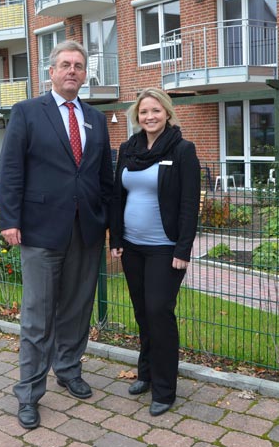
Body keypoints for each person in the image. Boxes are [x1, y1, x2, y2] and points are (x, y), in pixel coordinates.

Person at [0, 40, 113, 429]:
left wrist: (110, 223)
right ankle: (29, 393)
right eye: (65, 64)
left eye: (79, 66)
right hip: (41, 231)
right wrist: (9, 219)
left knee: (78, 308)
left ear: (85, 74)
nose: (72, 71)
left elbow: (104, 178)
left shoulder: (96, 120)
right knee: (37, 317)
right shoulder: (28, 113)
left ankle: (68, 369)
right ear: (51, 71)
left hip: (87, 230)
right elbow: (11, 169)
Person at [109, 87, 201, 416]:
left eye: (156, 111)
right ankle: (146, 374)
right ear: (137, 116)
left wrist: (183, 249)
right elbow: (117, 197)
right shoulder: (128, 149)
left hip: (166, 250)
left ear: (167, 113)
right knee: (143, 314)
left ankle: (165, 390)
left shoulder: (182, 150)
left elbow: (190, 205)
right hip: (132, 247)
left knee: (159, 313)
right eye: (144, 112)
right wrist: (116, 238)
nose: (150, 116)